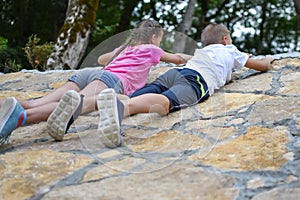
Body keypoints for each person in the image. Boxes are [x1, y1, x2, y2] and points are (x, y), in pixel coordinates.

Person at [0, 19, 189, 145]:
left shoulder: (125, 48)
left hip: (91, 74)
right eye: (159, 40)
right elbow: (178, 59)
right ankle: (21, 118)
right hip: (111, 79)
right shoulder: (152, 49)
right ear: (154, 37)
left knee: (39, 101)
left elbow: (101, 60)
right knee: (72, 106)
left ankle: (9, 108)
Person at [94, 23, 274, 148]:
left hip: (176, 73)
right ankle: (121, 107)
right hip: (196, 81)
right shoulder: (230, 50)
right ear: (225, 39)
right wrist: (268, 59)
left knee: (141, 96)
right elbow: (261, 66)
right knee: (164, 104)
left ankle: (112, 101)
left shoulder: (202, 51)